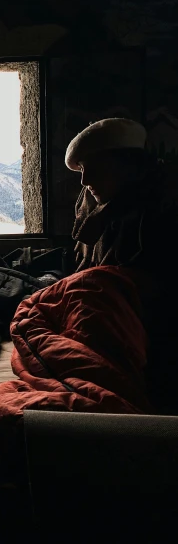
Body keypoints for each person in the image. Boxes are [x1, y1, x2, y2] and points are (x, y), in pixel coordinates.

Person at [66, 117, 178, 412]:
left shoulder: (158, 216)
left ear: (128, 167)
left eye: (94, 168)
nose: (84, 181)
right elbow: (80, 266)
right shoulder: (99, 209)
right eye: (81, 170)